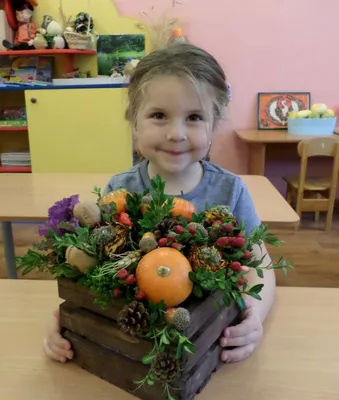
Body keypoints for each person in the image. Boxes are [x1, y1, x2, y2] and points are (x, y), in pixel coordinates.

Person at [43, 43, 276, 365]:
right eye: (159, 116)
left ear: (214, 123)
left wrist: (255, 314)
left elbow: (259, 262)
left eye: (194, 117)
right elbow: (89, 273)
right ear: (134, 122)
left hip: (210, 348)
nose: (176, 133)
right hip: (133, 353)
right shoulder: (119, 191)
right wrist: (64, 320)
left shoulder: (230, 191)